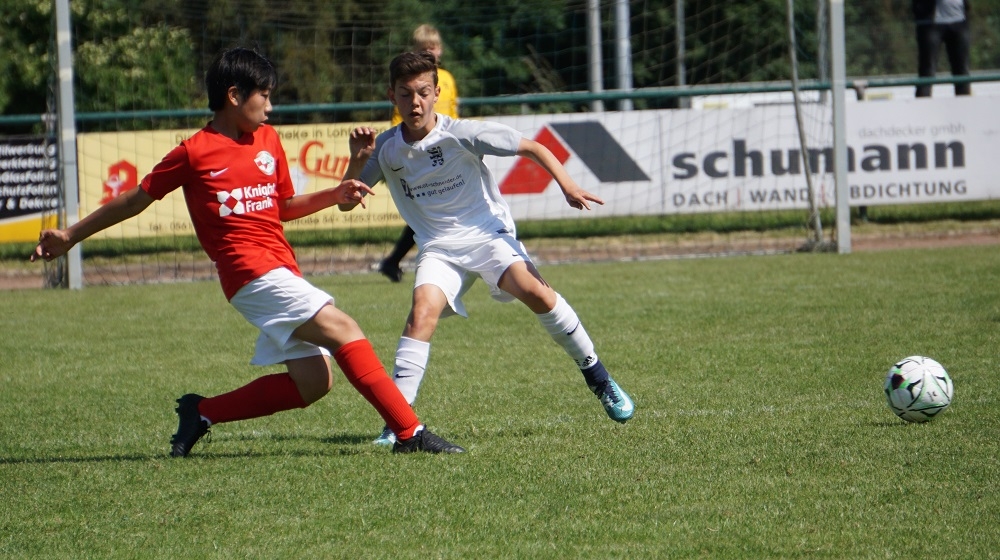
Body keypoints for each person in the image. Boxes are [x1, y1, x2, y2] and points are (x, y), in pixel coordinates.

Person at [31, 47, 464, 456]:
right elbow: (135, 199)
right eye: (265, 96)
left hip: (281, 267)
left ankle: (203, 412)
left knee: (313, 382)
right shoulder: (193, 152)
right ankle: (409, 432)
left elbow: (283, 207)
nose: (270, 107)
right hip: (247, 272)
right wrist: (70, 236)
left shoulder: (267, 139)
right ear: (235, 96)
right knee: (344, 328)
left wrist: (335, 193)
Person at [342, 51, 635, 446]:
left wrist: (568, 186)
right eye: (406, 94)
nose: (416, 103)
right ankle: (398, 422)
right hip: (439, 249)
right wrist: (357, 161)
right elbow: (346, 202)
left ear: (437, 93)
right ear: (391, 96)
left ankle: (599, 379)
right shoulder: (385, 148)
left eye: (423, 93)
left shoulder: (462, 133)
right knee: (421, 314)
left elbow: (532, 147)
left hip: (487, 235)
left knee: (537, 293)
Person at [379, 24, 460, 283]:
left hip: (444, 152)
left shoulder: (447, 79)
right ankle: (428, 260)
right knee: (428, 209)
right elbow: (398, 120)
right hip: (418, 152)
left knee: (434, 208)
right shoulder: (409, 83)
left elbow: (454, 114)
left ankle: (396, 261)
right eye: (425, 48)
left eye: (434, 47)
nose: (431, 52)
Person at [913, 0, 972, 97]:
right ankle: (922, 105)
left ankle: (964, 105)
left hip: (960, 20)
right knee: (927, 71)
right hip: (930, 23)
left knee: (962, 72)